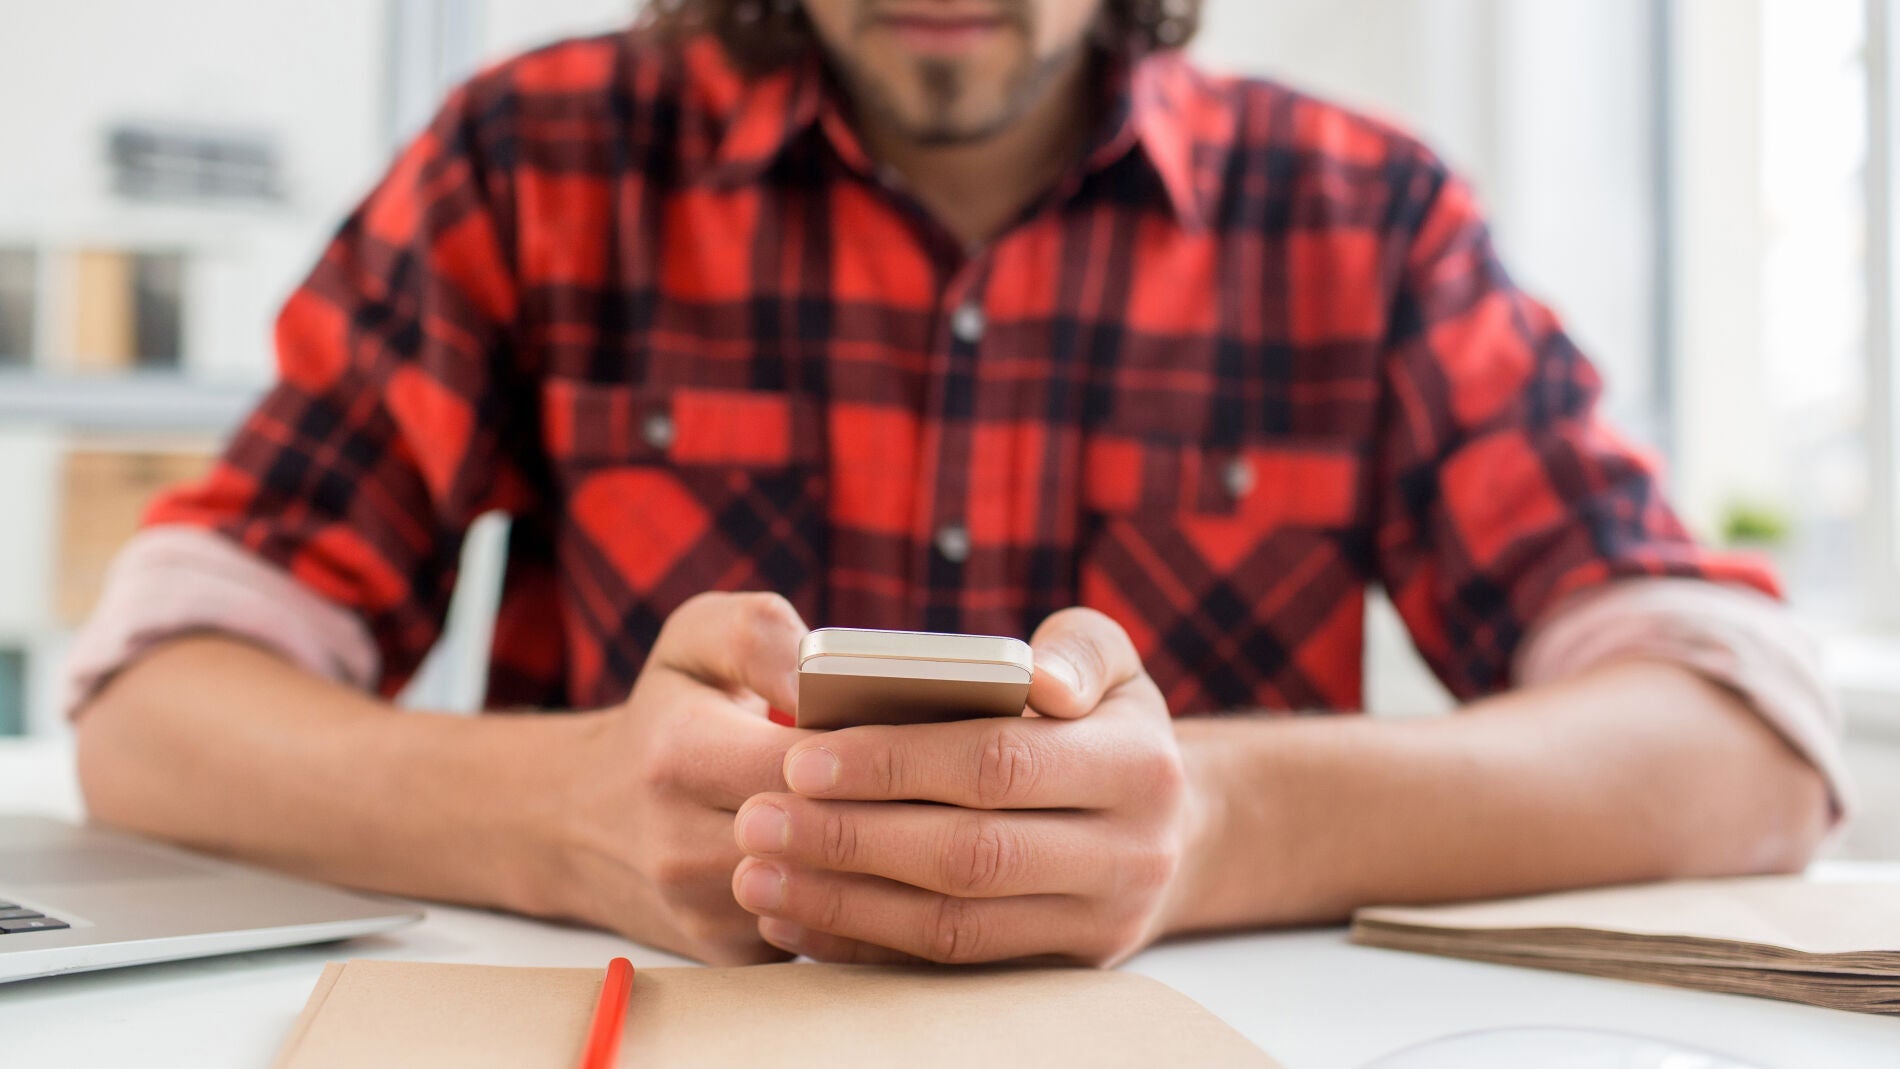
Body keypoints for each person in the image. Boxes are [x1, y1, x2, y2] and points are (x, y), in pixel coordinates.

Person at [68, 0, 1847, 969]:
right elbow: (153, 712)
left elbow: (1741, 742)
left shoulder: (1365, 218)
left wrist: (1218, 824)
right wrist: (559, 806)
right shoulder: (531, 160)